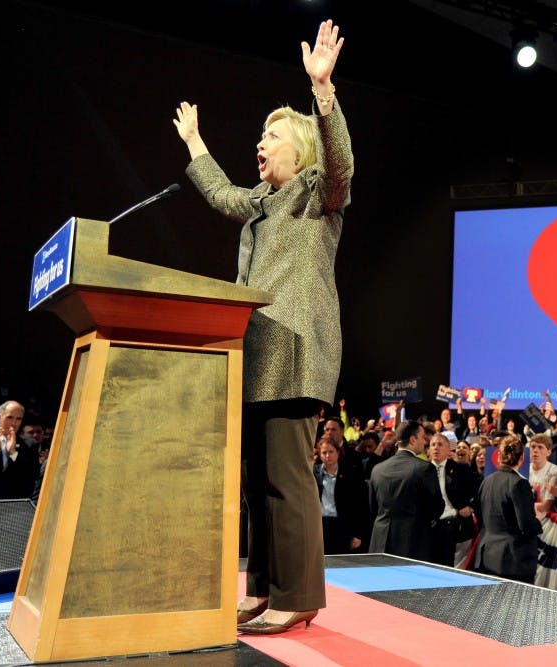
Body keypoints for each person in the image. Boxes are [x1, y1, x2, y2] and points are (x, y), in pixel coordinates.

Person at [174, 19, 353, 635]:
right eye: (260, 134)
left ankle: (300, 594)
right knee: (258, 481)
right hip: (255, 354)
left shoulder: (314, 193)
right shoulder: (263, 203)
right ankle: (266, 588)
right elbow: (224, 195)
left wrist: (323, 93)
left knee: (286, 478)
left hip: (297, 350)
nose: (261, 141)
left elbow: (340, 167)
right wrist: (196, 144)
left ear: (299, 149)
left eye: (271, 135)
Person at [368, 420, 444, 561]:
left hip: (379, 544)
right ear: (413, 439)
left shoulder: (377, 469)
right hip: (412, 546)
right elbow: (436, 508)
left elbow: (373, 508)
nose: (425, 442)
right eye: (422, 437)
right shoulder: (425, 468)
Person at [475, 437, 542, 583]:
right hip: (513, 562)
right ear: (522, 457)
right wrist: (539, 523)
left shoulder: (487, 480)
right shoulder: (519, 483)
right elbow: (526, 525)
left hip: (487, 557)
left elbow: (480, 518)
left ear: (499, 456)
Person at [426, 433, 476, 567]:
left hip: (454, 526)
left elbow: (477, 493)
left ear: (449, 450)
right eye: (433, 445)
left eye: (440, 445)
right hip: (428, 528)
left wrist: (470, 507)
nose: (436, 448)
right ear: (429, 450)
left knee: (450, 569)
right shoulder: (421, 471)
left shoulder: (461, 469)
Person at [313, 436, 367, 554]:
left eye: (331, 451)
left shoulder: (350, 474)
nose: (328, 455)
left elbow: (359, 505)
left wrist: (358, 534)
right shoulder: (314, 473)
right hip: (319, 526)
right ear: (319, 455)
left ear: (338, 452)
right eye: (324, 452)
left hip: (342, 527)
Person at [0, 401, 37, 500]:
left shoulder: (30, 445)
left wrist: (13, 454)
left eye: (18, 419)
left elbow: (30, 479)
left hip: (14, 506)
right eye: (10, 417)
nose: (14, 423)